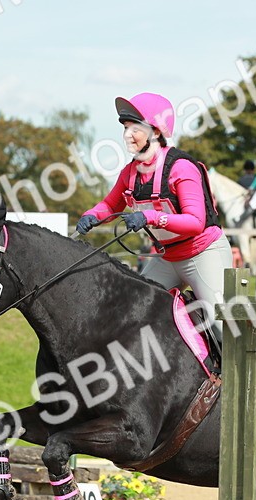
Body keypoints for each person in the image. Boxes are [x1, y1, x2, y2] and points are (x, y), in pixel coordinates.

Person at [75, 92, 229, 340]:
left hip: (203, 253)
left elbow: (195, 222)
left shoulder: (181, 167)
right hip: (168, 258)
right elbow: (109, 204)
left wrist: (150, 218)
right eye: (125, 128)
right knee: (130, 310)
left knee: (221, 324)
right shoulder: (130, 172)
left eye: (134, 128)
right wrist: (91, 216)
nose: (127, 135)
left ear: (156, 132)